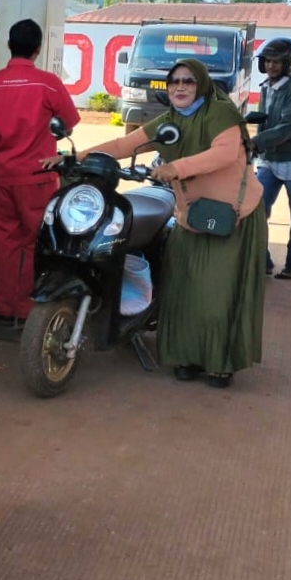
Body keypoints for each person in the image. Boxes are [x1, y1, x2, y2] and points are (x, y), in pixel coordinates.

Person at [46, 58, 266, 388]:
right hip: (191, 216)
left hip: (232, 217)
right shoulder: (171, 119)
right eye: (174, 81)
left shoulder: (221, 113)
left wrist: (176, 167)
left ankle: (219, 362)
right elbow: (124, 144)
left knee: (217, 293)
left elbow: (223, 153)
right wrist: (73, 158)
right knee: (183, 289)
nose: (180, 87)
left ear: (202, 84)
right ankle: (187, 356)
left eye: (188, 81)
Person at [0, 18, 80, 325]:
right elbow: (69, 125)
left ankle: (5, 308)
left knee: (4, 243)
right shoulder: (48, 83)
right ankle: (29, 309)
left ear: (9, 45)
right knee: (38, 242)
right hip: (39, 178)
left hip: (3, 177)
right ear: (38, 49)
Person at [251, 37, 291, 280]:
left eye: (277, 61)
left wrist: (255, 142)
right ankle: (264, 260)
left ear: (288, 63)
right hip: (270, 159)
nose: (271, 66)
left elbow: (288, 126)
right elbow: (267, 120)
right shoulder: (266, 87)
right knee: (256, 211)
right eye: (267, 61)